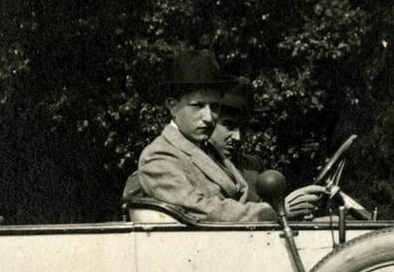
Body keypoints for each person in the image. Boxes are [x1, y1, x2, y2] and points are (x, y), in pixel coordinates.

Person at [123, 51, 323, 222]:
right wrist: (277, 212)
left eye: (215, 107)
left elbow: (243, 197)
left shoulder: (208, 149)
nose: (209, 117)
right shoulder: (158, 157)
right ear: (173, 106)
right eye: (198, 106)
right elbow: (201, 210)